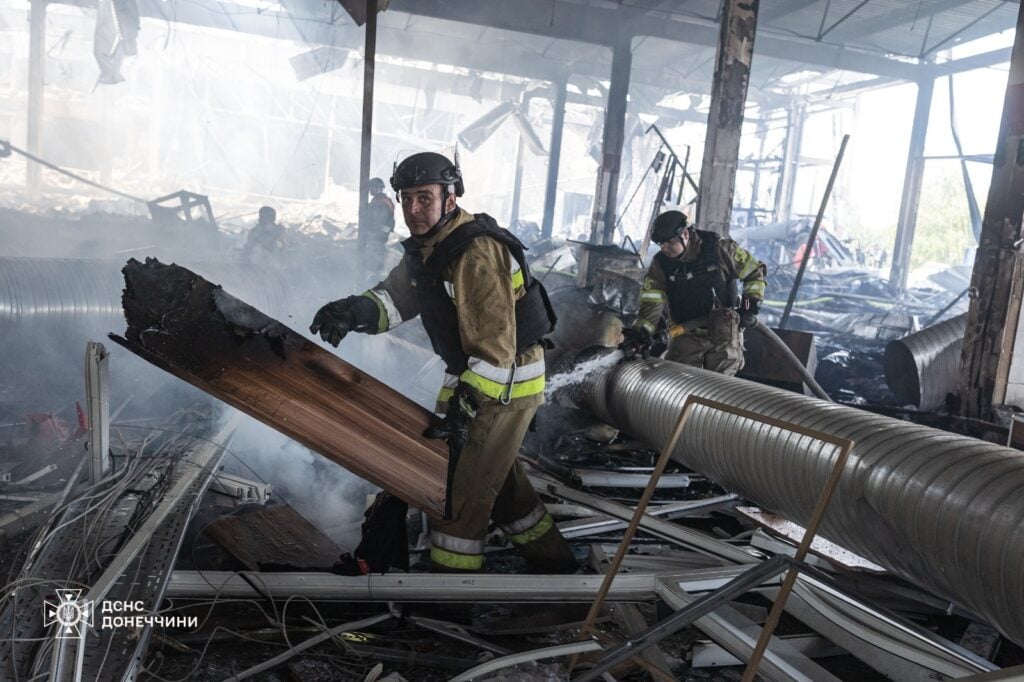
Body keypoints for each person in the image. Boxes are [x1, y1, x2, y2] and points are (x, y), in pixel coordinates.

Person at [310, 151, 576, 574]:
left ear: (450, 199)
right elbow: (396, 299)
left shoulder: (475, 252)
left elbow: (494, 347)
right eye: (407, 198)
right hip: (475, 375)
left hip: (502, 381)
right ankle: (559, 570)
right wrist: (352, 311)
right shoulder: (429, 248)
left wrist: (466, 406)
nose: (414, 209)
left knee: (457, 496)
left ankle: (450, 598)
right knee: (503, 488)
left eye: (425, 198)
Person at [620, 210, 766, 376]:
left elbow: (754, 271)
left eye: (668, 243)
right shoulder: (661, 264)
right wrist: (641, 333)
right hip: (684, 332)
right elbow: (651, 303)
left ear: (685, 234)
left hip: (723, 332)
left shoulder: (719, 249)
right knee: (678, 385)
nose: (664, 249)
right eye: (661, 244)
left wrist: (750, 305)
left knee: (719, 390)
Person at [359, 177, 396, 281]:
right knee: (375, 258)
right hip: (377, 236)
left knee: (374, 259)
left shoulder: (382, 203)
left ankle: (374, 280)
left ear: (378, 188)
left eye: (372, 187)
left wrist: (374, 233)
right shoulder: (379, 201)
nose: (370, 190)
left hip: (377, 237)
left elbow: (380, 220)